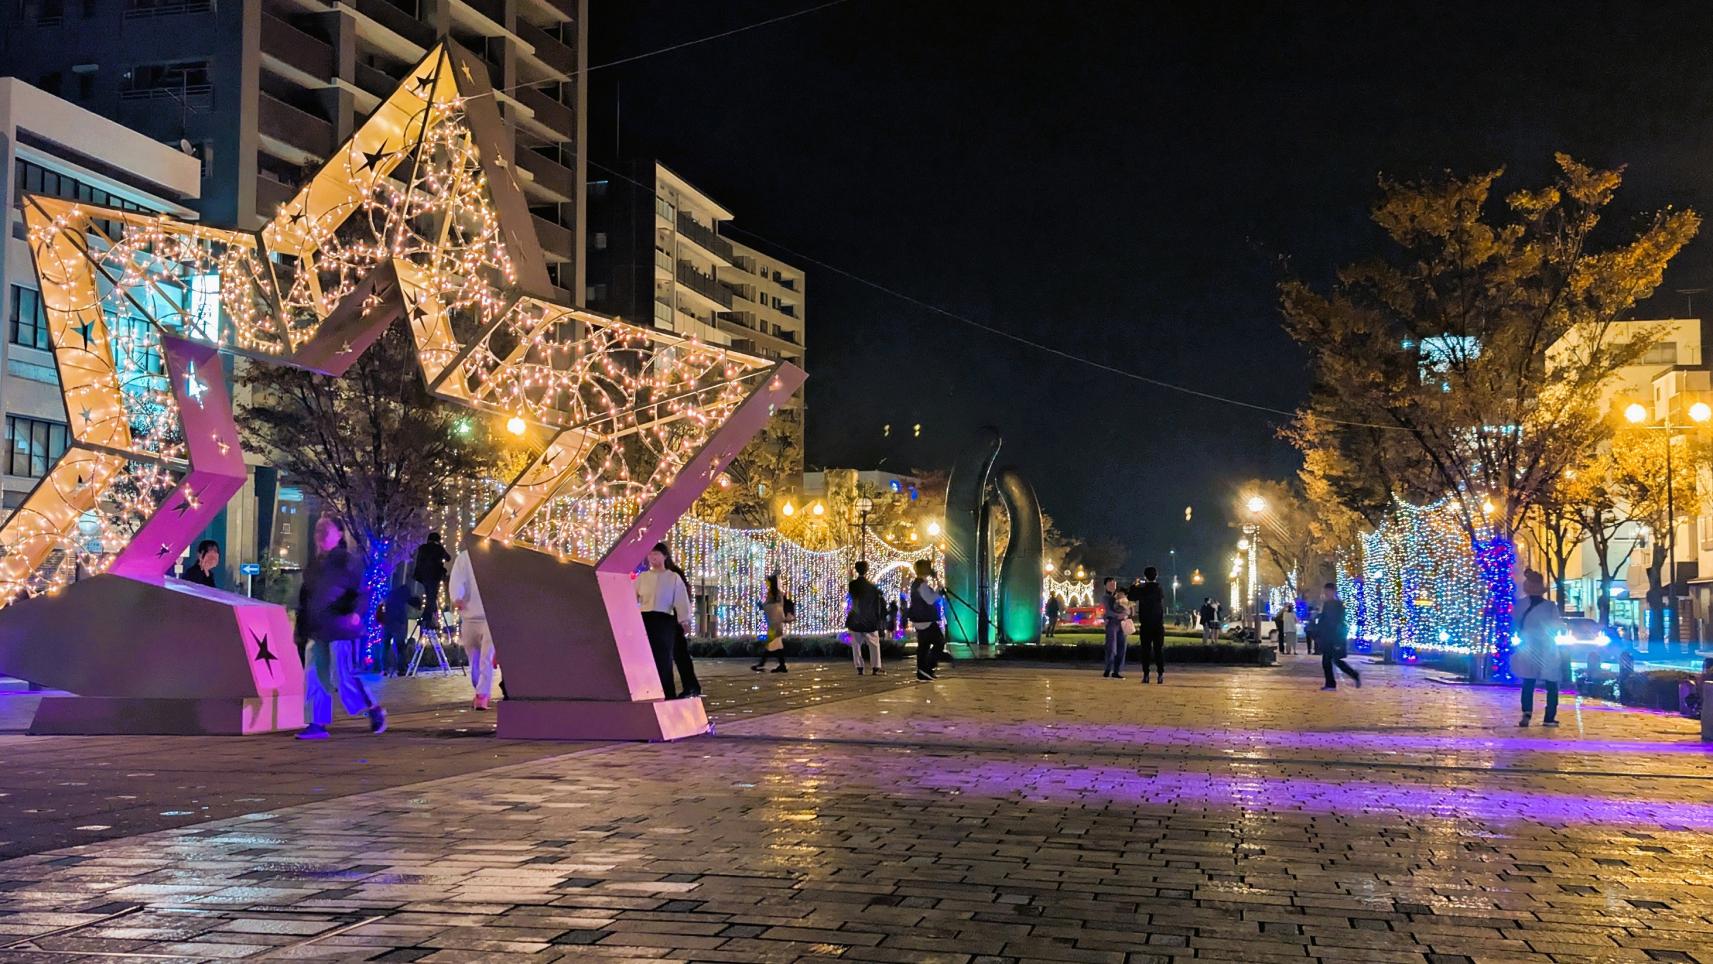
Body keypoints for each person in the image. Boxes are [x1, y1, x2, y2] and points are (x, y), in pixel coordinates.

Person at [295, 516, 385, 739]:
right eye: (318, 530)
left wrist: (356, 614)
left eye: (327, 530)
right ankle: (316, 723)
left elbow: (363, 593)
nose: (321, 534)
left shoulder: (348, 562)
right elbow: (304, 599)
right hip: (317, 629)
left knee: (342, 677)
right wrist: (300, 629)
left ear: (339, 534)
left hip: (341, 628)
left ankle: (373, 709)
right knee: (315, 675)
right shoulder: (314, 566)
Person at [636, 542, 695, 697]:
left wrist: (685, 621)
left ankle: (667, 692)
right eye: (650, 554)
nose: (652, 557)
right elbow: (632, 598)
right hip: (645, 619)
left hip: (664, 620)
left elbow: (681, 600)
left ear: (664, 556)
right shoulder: (642, 577)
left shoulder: (673, 577)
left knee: (663, 657)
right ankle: (647, 691)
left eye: (656, 554)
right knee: (645, 657)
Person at [1511, 568, 1565, 727]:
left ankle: (1526, 713)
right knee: (1551, 683)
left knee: (1528, 682)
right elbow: (1556, 624)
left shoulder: (1520, 605)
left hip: (1527, 646)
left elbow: (1513, 624)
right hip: (1547, 647)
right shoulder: (1550, 606)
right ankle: (1549, 717)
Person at [446, 545, 497, 709]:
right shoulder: (464, 558)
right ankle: (479, 689)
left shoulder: (495, 558)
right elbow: (457, 578)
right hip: (469, 616)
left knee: (486, 658)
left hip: (490, 616)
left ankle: (483, 694)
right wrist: (457, 597)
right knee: (473, 658)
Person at [1315, 581, 1360, 690]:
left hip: (1334, 637)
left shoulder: (1336, 605)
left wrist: (1337, 640)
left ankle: (1333, 683)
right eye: (1325, 591)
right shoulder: (1328, 604)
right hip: (1329, 637)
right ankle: (1335, 682)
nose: (1326, 593)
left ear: (1333, 591)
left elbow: (1337, 622)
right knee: (1332, 661)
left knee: (1331, 661)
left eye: (1328, 591)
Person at [378, 571, 422, 677]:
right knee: (400, 647)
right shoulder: (404, 595)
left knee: (385, 646)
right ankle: (401, 669)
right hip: (398, 624)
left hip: (387, 623)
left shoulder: (390, 595)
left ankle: (384, 668)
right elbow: (413, 602)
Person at [908, 559, 945, 681]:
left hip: (920, 620)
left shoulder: (917, 584)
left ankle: (923, 671)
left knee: (923, 646)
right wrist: (939, 592)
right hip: (926, 620)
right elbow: (930, 599)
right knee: (939, 642)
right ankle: (927, 667)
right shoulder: (922, 585)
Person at [845, 560, 885, 675]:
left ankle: (859, 667)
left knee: (856, 645)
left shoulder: (852, 585)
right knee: (874, 644)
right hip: (869, 618)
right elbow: (877, 602)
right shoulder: (872, 587)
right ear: (867, 570)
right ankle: (875, 667)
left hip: (855, 617)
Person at [411, 532, 451, 630]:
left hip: (423, 577)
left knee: (430, 597)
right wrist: (441, 547)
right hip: (434, 576)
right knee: (432, 598)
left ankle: (428, 619)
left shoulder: (422, 548)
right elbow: (448, 558)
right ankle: (428, 620)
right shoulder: (438, 549)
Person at [1134, 566, 1167, 683]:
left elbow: (1131, 596)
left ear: (1145, 576)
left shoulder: (1142, 589)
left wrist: (1136, 585)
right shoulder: (1159, 589)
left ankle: (1146, 675)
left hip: (1146, 623)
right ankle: (1160, 674)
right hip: (1158, 623)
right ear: (1156, 576)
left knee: (1145, 650)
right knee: (1159, 650)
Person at [754, 573, 790, 673]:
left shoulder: (774, 594)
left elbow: (770, 606)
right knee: (775, 645)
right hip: (776, 622)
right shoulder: (777, 594)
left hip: (775, 623)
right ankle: (780, 665)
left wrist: (762, 605)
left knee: (772, 644)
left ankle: (763, 663)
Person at [1102, 577, 1130, 678]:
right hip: (1112, 623)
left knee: (1122, 647)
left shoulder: (1120, 596)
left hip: (1122, 624)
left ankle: (1117, 671)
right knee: (1111, 647)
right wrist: (1117, 615)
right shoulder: (1105, 597)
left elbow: (1127, 608)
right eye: (1110, 584)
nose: (1113, 586)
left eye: (1114, 584)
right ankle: (1108, 669)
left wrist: (1125, 614)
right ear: (1105, 585)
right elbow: (1107, 611)